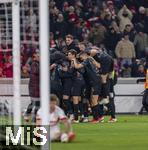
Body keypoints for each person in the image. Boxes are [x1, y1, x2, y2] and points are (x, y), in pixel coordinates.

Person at [72, 51, 102, 123]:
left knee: (94, 100)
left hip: (95, 81)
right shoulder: (91, 59)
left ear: (84, 55)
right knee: (92, 100)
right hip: (95, 80)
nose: (81, 59)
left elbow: (77, 66)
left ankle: (97, 118)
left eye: (81, 57)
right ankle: (97, 117)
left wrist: (74, 60)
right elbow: (99, 66)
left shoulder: (87, 60)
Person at [67, 50, 86, 123]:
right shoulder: (78, 61)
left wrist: (68, 70)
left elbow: (75, 71)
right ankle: (82, 116)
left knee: (75, 99)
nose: (68, 56)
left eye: (69, 54)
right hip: (81, 82)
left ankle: (76, 119)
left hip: (77, 82)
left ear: (73, 55)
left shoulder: (74, 61)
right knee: (79, 99)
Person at [24, 52, 40, 123]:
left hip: (36, 87)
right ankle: (29, 115)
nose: (39, 57)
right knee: (35, 102)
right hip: (34, 87)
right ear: (34, 57)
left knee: (36, 103)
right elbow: (36, 71)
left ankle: (30, 116)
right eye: (38, 56)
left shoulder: (37, 64)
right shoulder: (34, 64)